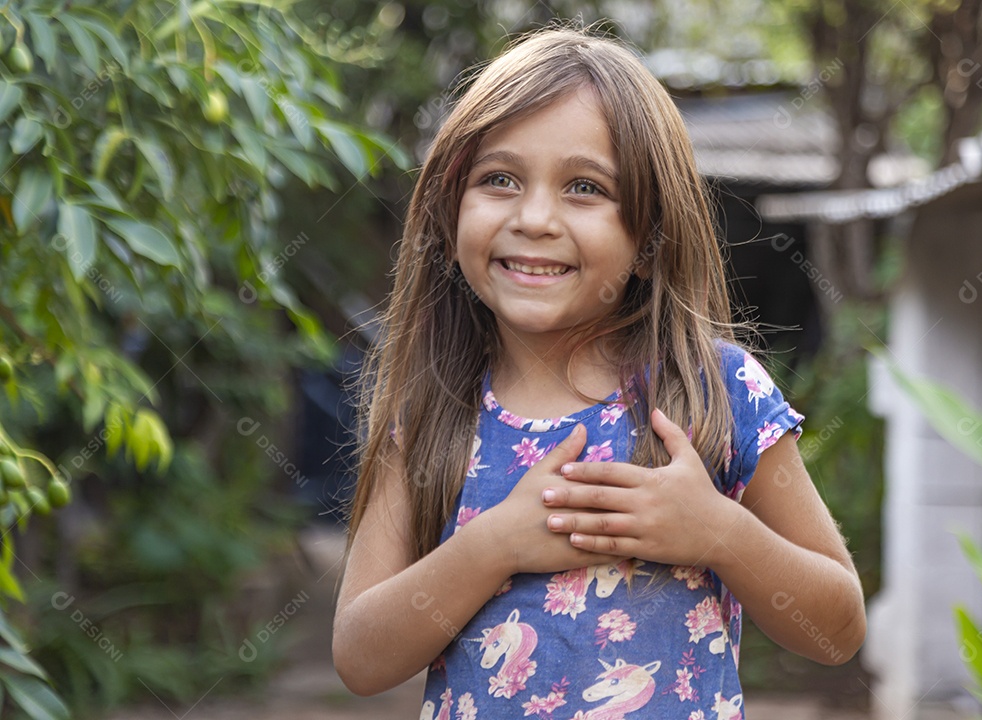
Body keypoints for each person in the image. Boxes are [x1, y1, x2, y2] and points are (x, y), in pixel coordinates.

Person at [333, 25, 866, 719]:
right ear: (447, 211)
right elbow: (361, 658)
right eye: (498, 179)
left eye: (585, 187)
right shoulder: (435, 411)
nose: (534, 217)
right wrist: (493, 547)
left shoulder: (718, 393)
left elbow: (836, 630)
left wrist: (720, 533)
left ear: (648, 239)